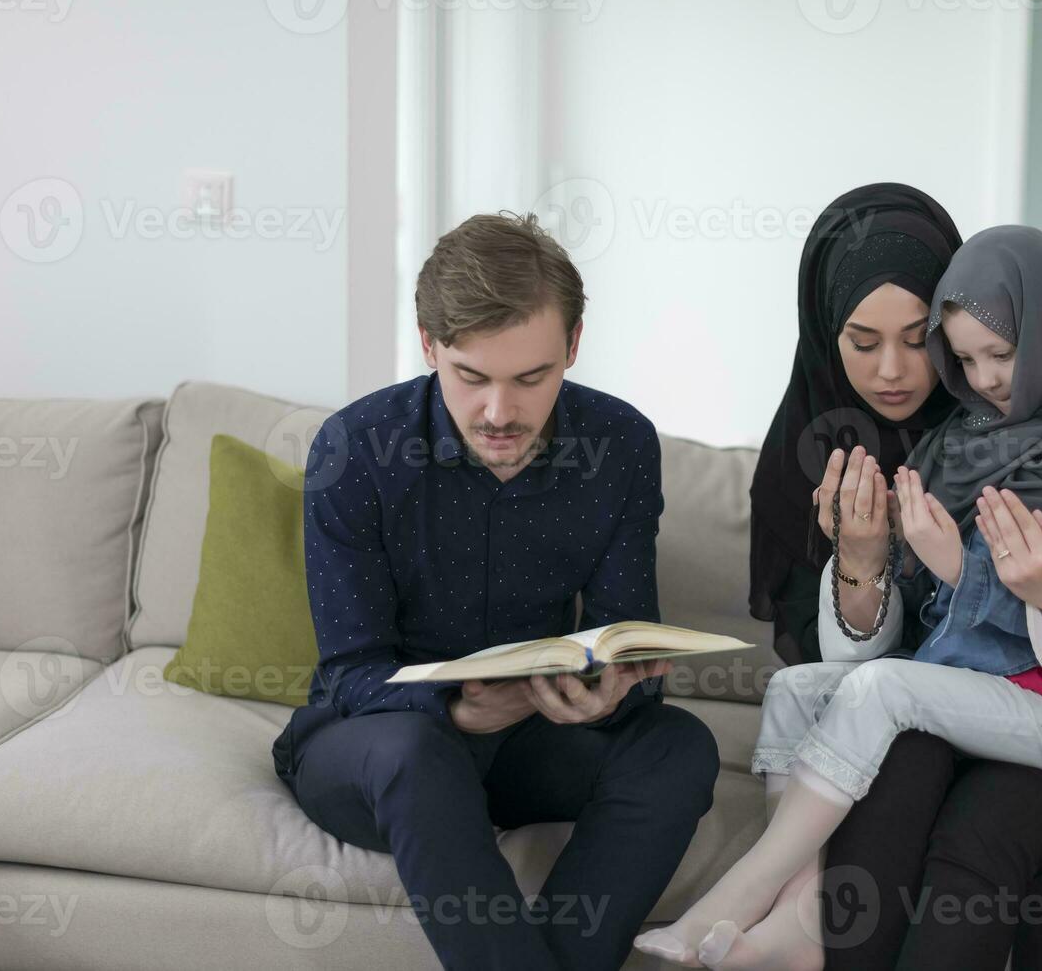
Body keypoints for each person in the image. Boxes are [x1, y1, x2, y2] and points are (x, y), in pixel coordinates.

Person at [663, 184, 1042, 970]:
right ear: (824, 332)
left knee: (965, 837)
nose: (895, 371)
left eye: (915, 340)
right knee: (873, 752)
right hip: (912, 702)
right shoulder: (825, 460)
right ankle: (800, 918)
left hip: (1032, 704)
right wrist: (861, 570)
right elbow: (825, 663)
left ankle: (773, 912)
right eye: (862, 341)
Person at [271, 211, 720, 971]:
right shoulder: (353, 448)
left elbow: (623, 635)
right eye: (471, 377)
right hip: (381, 748)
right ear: (427, 344)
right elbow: (350, 672)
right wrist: (456, 706)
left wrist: (611, 694)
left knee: (679, 747)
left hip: (530, 744)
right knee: (416, 751)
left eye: (531, 378)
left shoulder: (620, 446)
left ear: (573, 346)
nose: (500, 412)